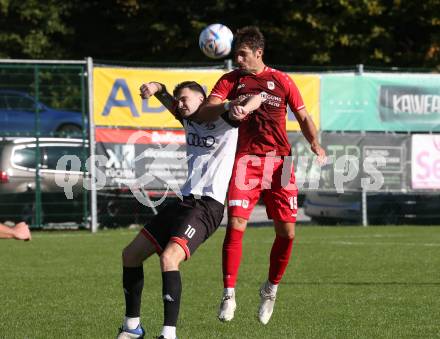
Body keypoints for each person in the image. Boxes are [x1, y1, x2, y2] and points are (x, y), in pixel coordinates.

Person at [196, 26, 326, 325]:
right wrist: (230, 105)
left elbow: (303, 116)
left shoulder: (281, 80)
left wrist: (315, 142)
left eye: (243, 54)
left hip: (282, 163)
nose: (238, 59)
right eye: (236, 53)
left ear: (258, 53)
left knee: (287, 232)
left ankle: (270, 289)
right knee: (237, 223)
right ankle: (229, 293)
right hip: (246, 162)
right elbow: (206, 111)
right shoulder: (232, 80)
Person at [117, 80, 262, 339]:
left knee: (169, 258)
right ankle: (132, 328)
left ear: (202, 99)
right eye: (179, 100)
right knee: (130, 255)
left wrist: (242, 106)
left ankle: (169, 334)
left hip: (208, 206)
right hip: (184, 202)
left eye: (185, 99)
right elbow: (163, 94)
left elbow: (256, 98)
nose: (180, 104)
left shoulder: (225, 119)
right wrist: (155, 86)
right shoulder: (187, 118)